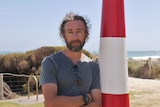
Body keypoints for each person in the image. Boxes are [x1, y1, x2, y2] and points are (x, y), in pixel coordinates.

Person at [40, 12, 102, 107]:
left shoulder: (93, 66)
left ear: (86, 34)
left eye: (79, 31)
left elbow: (97, 103)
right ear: (63, 35)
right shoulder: (51, 62)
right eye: (70, 32)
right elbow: (51, 103)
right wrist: (86, 98)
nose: (75, 37)